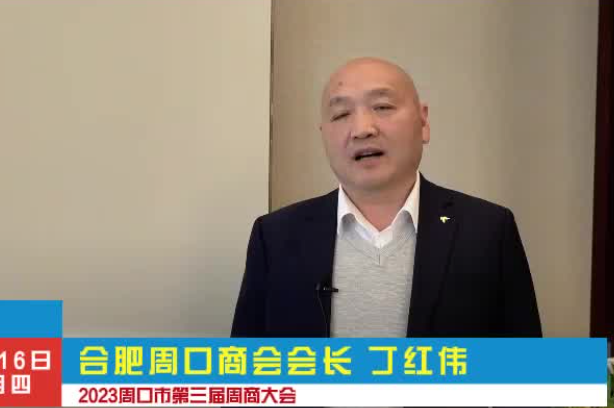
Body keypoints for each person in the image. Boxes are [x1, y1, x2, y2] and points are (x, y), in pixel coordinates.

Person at [232, 57, 541, 338]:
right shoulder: (275, 236)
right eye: (341, 114)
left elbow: (527, 370)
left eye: (382, 107)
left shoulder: (487, 230)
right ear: (323, 133)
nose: (362, 129)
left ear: (423, 122)